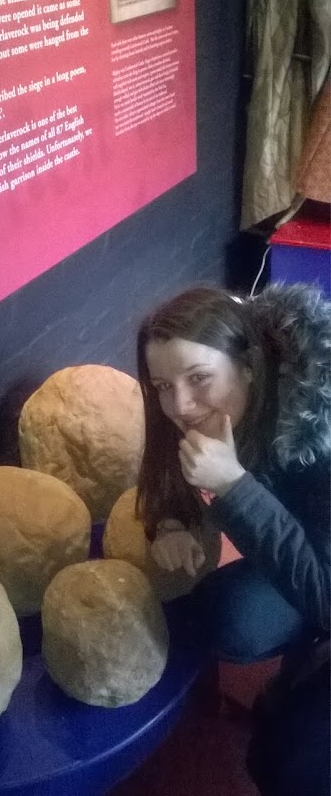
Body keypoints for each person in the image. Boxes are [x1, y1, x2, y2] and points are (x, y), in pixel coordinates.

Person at [135, 283, 330, 796]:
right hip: (315, 553)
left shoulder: (322, 424)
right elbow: (163, 476)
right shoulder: (228, 399)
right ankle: (303, 668)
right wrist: (170, 524)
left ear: (248, 365)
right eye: (161, 385)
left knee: (293, 768)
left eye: (199, 378)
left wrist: (234, 488)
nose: (179, 404)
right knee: (223, 618)